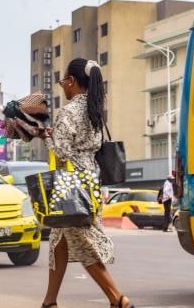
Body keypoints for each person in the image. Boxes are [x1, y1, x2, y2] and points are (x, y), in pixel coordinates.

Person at [39, 58, 134, 308]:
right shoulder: (93, 111)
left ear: (72, 81)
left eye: (63, 82)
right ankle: (49, 302)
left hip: (71, 184)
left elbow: (61, 153)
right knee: (59, 241)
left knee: (83, 244)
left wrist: (44, 137)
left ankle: (117, 299)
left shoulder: (69, 111)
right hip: (90, 179)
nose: (62, 87)